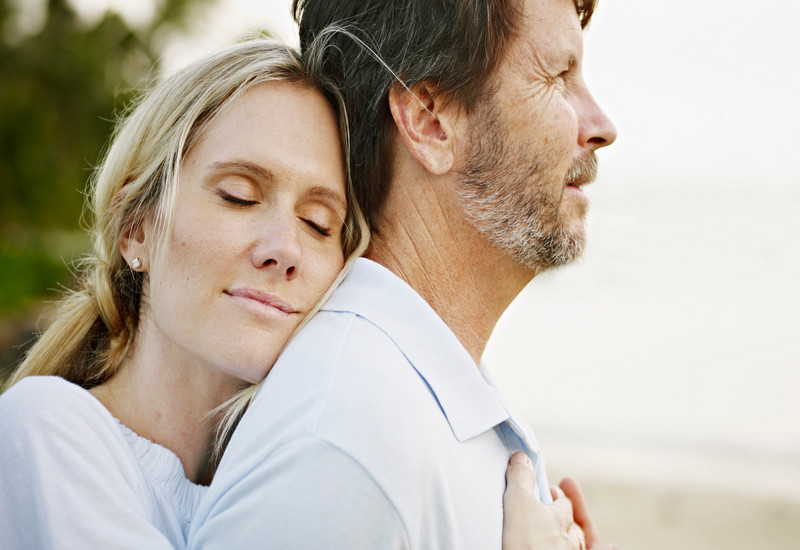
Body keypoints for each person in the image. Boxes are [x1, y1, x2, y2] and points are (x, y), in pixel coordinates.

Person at [188, 0, 617, 548]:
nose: (602, 127)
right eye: (557, 76)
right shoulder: (341, 443)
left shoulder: (411, 395)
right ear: (429, 122)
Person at [0, 39, 369, 549]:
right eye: (239, 196)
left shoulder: (292, 486)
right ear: (136, 227)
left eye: (318, 223)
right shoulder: (47, 430)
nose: (285, 249)